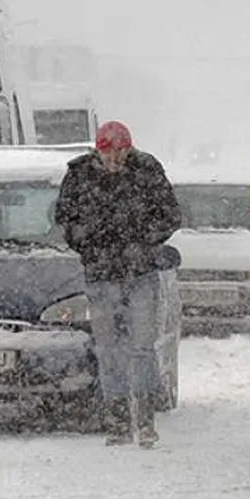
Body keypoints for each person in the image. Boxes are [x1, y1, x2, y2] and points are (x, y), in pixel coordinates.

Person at [55, 121, 182, 448]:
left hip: (140, 273)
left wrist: (142, 242)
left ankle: (145, 419)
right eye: (109, 154)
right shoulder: (80, 175)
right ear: (98, 151)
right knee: (108, 349)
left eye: (121, 153)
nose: (115, 160)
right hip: (101, 274)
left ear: (130, 149)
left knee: (142, 347)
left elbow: (171, 215)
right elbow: (65, 220)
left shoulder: (147, 170)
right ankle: (117, 421)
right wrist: (89, 243)